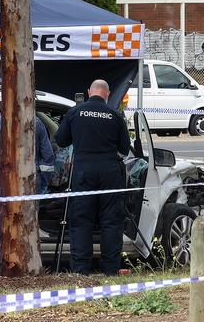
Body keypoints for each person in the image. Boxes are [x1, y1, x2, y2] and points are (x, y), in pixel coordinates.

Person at [54, 79, 130, 276]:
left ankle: (81, 270)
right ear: (107, 93)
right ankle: (111, 269)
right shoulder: (115, 115)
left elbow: (60, 140)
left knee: (81, 221)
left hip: (83, 173)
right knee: (111, 222)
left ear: (89, 92)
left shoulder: (75, 112)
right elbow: (124, 148)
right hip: (110, 173)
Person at [0, 114, 55, 261]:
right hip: (31, 182)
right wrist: (42, 183)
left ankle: (6, 265)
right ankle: (28, 263)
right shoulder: (37, 122)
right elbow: (48, 156)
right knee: (28, 226)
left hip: (2, 183)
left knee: (3, 227)